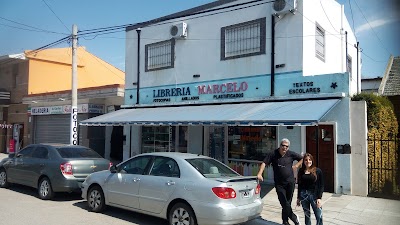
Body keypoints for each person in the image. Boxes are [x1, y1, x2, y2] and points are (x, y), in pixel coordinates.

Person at [257, 138, 303, 225]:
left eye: (286, 146)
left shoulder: (291, 154)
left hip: (290, 182)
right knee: (283, 202)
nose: (284, 147)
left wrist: (296, 165)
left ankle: (285, 221)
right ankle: (293, 217)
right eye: (283, 145)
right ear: (280, 145)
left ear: (288, 147)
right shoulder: (273, 154)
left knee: (287, 202)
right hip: (279, 184)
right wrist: (260, 173)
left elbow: (302, 158)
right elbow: (264, 163)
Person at [296, 153, 324, 225]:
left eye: (309, 160)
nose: (308, 161)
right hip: (304, 196)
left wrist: (319, 198)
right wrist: (298, 198)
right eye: (306, 160)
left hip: (314, 196)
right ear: (303, 161)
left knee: (319, 215)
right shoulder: (301, 171)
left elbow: (321, 185)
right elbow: (300, 185)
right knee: (307, 215)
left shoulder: (317, 171)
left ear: (312, 160)